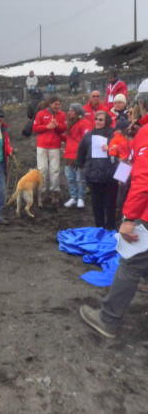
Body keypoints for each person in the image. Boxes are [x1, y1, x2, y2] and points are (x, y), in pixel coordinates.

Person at [80, 80, 148, 338]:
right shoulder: (137, 132)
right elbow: (129, 157)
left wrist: (129, 217)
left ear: (141, 104)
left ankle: (107, 319)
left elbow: (143, 180)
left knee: (130, 262)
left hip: (145, 210)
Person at [77, 111, 118, 230]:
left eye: (101, 120)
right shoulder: (88, 136)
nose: (98, 122)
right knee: (96, 206)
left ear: (107, 121)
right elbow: (81, 152)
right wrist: (85, 169)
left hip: (111, 177)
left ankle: (110, 228)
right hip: (94, 177)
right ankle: (99, 228)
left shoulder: (114, 135)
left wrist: (121, 177)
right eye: (96, 119)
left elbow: (123, 154)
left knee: (110, 205)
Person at [32, 95, 66, 205]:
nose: (58, 106)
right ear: (50, 104)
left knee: (55, 170)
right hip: (42, 145)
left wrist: (57, 125)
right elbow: (35, 128)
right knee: (42, 169)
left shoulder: (62, 114)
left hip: (55, 145)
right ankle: (41, 192)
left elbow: (63, 129)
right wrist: (47, 126)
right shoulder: (41, 114)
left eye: (59, 104)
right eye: (56, 104)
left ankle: (54, 192)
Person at [63, 103, 89, 209]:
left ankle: (81, 197)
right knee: (70, 178)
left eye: (72, 111)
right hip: (68, 153)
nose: (70, 113)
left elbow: (86, 139)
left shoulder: (84, 123)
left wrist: (83, 155)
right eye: (69, 111)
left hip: (78, 154)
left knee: (80, 178)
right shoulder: (69, 123)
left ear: (77, 111)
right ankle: (73, 196)